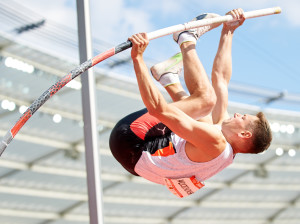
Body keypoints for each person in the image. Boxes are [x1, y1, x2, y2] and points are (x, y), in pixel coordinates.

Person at [109, 8, 272, 198]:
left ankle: (185, 38)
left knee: (205, 100)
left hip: (131, 140)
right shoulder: (224, 144)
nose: (237, 114)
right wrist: (229, 30)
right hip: (138, 160)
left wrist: (138, 59)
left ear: (244, 133)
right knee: (205, 115)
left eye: (242, 117)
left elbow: (158, 109)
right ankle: (168, 78)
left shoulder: (216, 143)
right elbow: (221, 79)